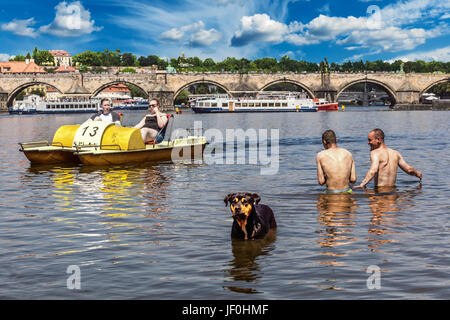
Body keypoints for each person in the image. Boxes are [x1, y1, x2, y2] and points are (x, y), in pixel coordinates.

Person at [355, 128, 422, 188]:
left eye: (370, 140)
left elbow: (373, 170)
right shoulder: (396, 153)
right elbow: (409, 170)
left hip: (380, 193)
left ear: (378, 139)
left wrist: (362, 185)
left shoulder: (375, 153)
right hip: (392, 192)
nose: (368, 143)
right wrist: (417, 173)